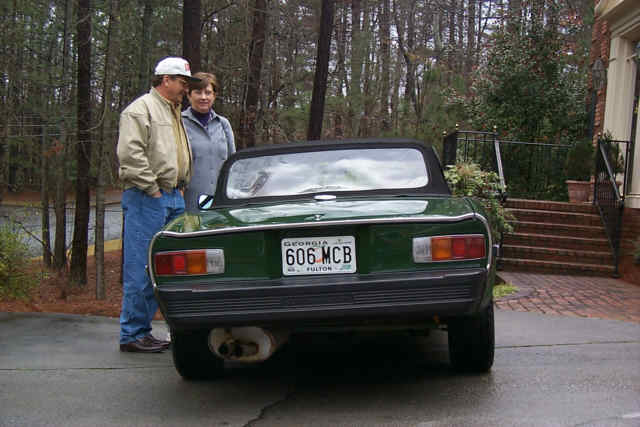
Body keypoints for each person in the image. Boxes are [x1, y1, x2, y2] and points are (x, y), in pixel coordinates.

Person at [116, 57, 199, 353]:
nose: (185, 88)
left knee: (161, 268)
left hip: (173, 196)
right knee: (141, 265)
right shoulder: (140, 110)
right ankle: (132, 334)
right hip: (147, 197)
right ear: (166, 80)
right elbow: (130, 155)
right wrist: (152, 189)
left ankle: (143, 330)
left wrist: (181, 180)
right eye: (182, 82)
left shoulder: (173, 111)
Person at [182, 72, 235, 211]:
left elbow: (233, 164)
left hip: (221, 203)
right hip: (189, 204)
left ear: (214, 95)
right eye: (198, 92)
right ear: (189, 95)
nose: (203, 97)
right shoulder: (179, 123)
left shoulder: (223, 124)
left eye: (208, 92)